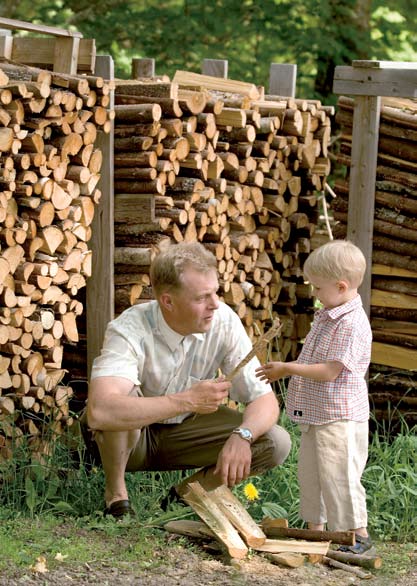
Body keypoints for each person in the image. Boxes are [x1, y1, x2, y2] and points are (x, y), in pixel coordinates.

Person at [85, 241, 291, 518]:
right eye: (201, 298)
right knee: (121, 403)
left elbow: (264, 399)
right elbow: (100, 411)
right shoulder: (129, 328)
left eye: (215, 292)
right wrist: (186, 401)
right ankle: (117, 497)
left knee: (274, 442)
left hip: (185, 434)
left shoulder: (224, 322)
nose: (215, 304)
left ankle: (186, 496)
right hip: (131, 441)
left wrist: (242, 436)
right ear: (167, 301)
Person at [256, 240, 374, 555]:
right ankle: (316, 532)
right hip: (316, 414)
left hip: (339, 416)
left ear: (341, 286)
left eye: (318, 287)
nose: (314, 293)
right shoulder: (329, 314)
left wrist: (288, 368)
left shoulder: (350, 323)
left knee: (340, 475)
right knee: (311, 474)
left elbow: (329, 371)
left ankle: (356, 534)